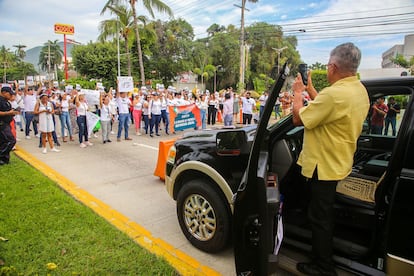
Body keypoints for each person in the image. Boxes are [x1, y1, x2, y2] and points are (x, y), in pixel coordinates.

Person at [292, 42, 369, 276]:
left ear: (333, 67)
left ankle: (323, 267)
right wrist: (311, 89)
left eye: (327, 65)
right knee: (324, 213)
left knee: (320, 218)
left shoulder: (334, 95)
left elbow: (298, 119)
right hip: (340, 162)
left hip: (322, 167)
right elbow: (328, 106)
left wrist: (297, 93)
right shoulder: (358, 89)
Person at [0, 86, 20, 165]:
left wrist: (13, 113)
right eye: (9, 94)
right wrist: (8, 113)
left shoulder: (6, 101)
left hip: (7, 123)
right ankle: (1, 155)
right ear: (4, 92)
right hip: (2, 124)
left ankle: (4, 159)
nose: (11, 96)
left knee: (3, 141)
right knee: (10, 140)